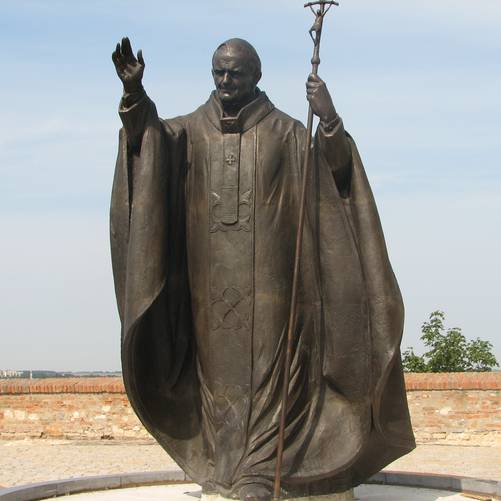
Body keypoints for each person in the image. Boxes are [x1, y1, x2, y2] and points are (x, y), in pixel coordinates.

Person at [110, 37, 415, 501]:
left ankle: (261, 468)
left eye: (234, 73)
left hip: (276, 284)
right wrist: (134, 96)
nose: (225, 81)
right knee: (215, 374)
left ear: (255, 76)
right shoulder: (188, 131)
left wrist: (329, 119)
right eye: (218, 72)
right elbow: (148, 144)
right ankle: (225, 466)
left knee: (270, 370)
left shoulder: (288, 132)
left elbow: (336, 176)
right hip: (206, 282)